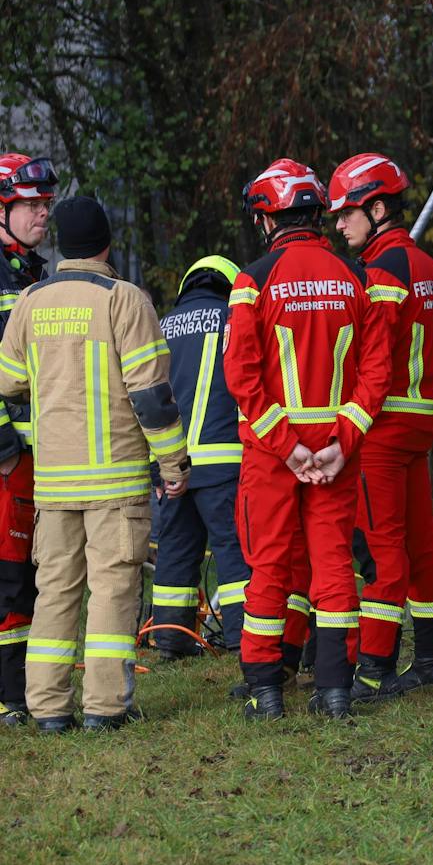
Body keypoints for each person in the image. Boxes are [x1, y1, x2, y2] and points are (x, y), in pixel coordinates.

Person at [0, 196, 190, 732]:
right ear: (107, 243)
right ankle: (105, 710)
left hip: (52, 485)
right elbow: (152, 398)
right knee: (111, 592)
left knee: (54, 592)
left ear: (61, 243)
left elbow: (8, 381)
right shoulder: (124, 300)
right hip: (115, 483)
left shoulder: (30, 302)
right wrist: (173, 464)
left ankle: (48, 710)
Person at [225, 158, 393, 720]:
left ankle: (264, 691)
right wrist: (343, 442)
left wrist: (288, 447)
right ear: (316, 212)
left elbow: (242, 376)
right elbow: (376, 374)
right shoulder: (359, 277)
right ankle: (335, 691)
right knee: (333, 567)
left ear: (270, 218)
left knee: (270, 566)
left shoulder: (252, 280)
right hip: (336, 453)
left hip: (274, 454)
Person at [328, 153, 433, 701]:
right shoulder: (430, 269)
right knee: (422, 543)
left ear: (377, 208)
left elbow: (374, 361)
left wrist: (346, 426)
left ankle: (375, 667)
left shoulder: (381, 274)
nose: (338, 225)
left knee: (383, 549)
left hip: (381, 428)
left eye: (346, 213)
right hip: (421, 423)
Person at [149, 256, 251, 659]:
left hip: (172, 463)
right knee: (233, 549)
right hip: (223, 462)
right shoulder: (232, 317)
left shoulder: (163, 324)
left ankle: (172, 639)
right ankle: (246, 636)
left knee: (175, 549)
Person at [0, 153, 55, 725]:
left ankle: (22, 693)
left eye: (45, 204)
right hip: (8, 455)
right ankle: (10, 697)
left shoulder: (36, 273)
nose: (43, 213)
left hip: (42, 451)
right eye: (30, 205)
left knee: (37, 573)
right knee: (9, 572)